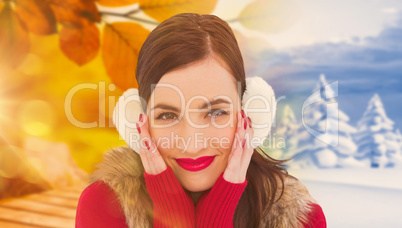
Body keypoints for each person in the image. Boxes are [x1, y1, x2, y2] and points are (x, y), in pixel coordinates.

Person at [75, 13, 326, 228]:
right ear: (138, 122)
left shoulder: (299, 219)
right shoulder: (105, 205)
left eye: (216, 113)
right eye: (168, 115)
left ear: (247, 114)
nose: (191, 145)